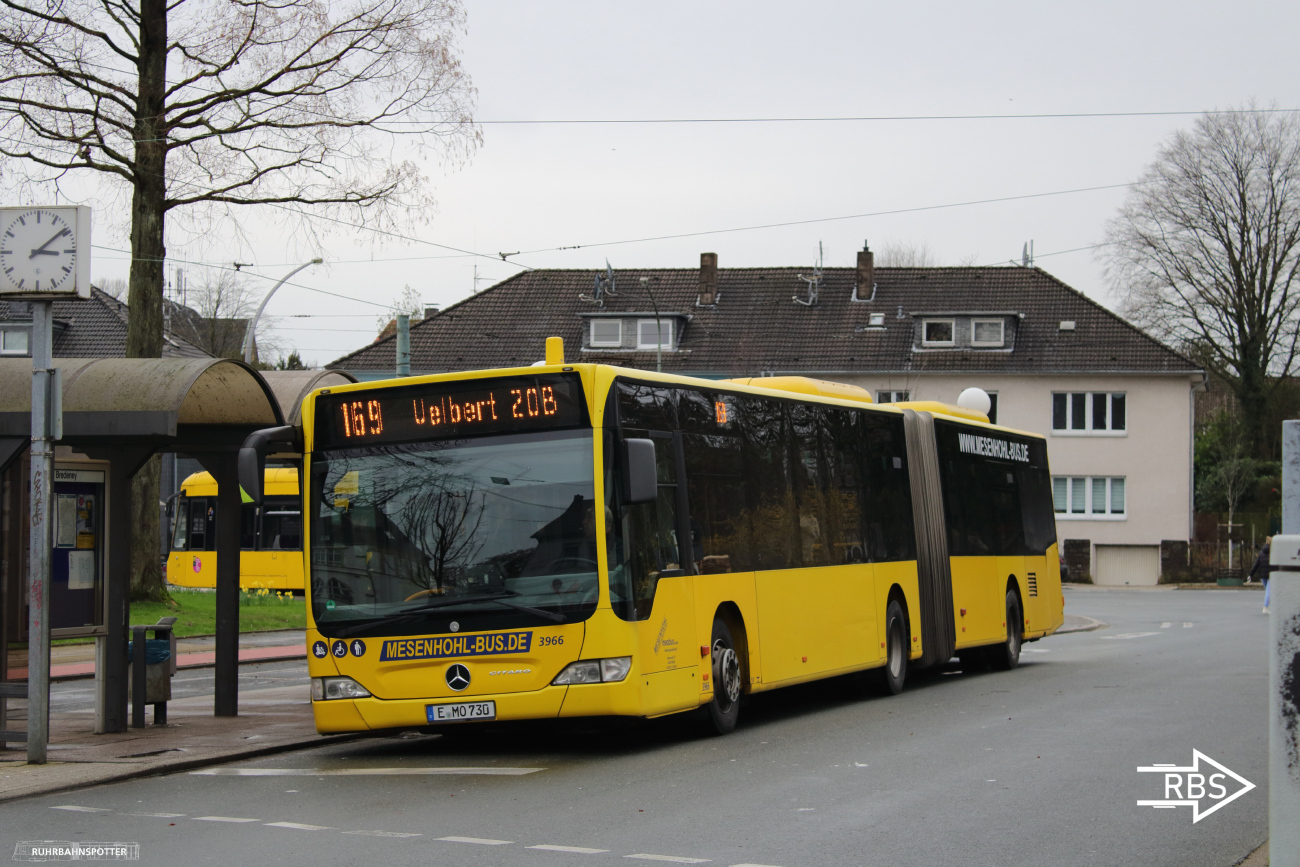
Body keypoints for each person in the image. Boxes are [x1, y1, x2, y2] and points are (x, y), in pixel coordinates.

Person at [1247, 536, 1274, 614]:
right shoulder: (1273, 553)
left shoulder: (1261, 553)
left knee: (1268, 591)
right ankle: (1265, 607)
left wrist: (1251, 575)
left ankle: (1268, 606)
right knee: (1269, 591)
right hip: (1271, 575)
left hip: (1263, 575)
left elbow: (1256, 565)